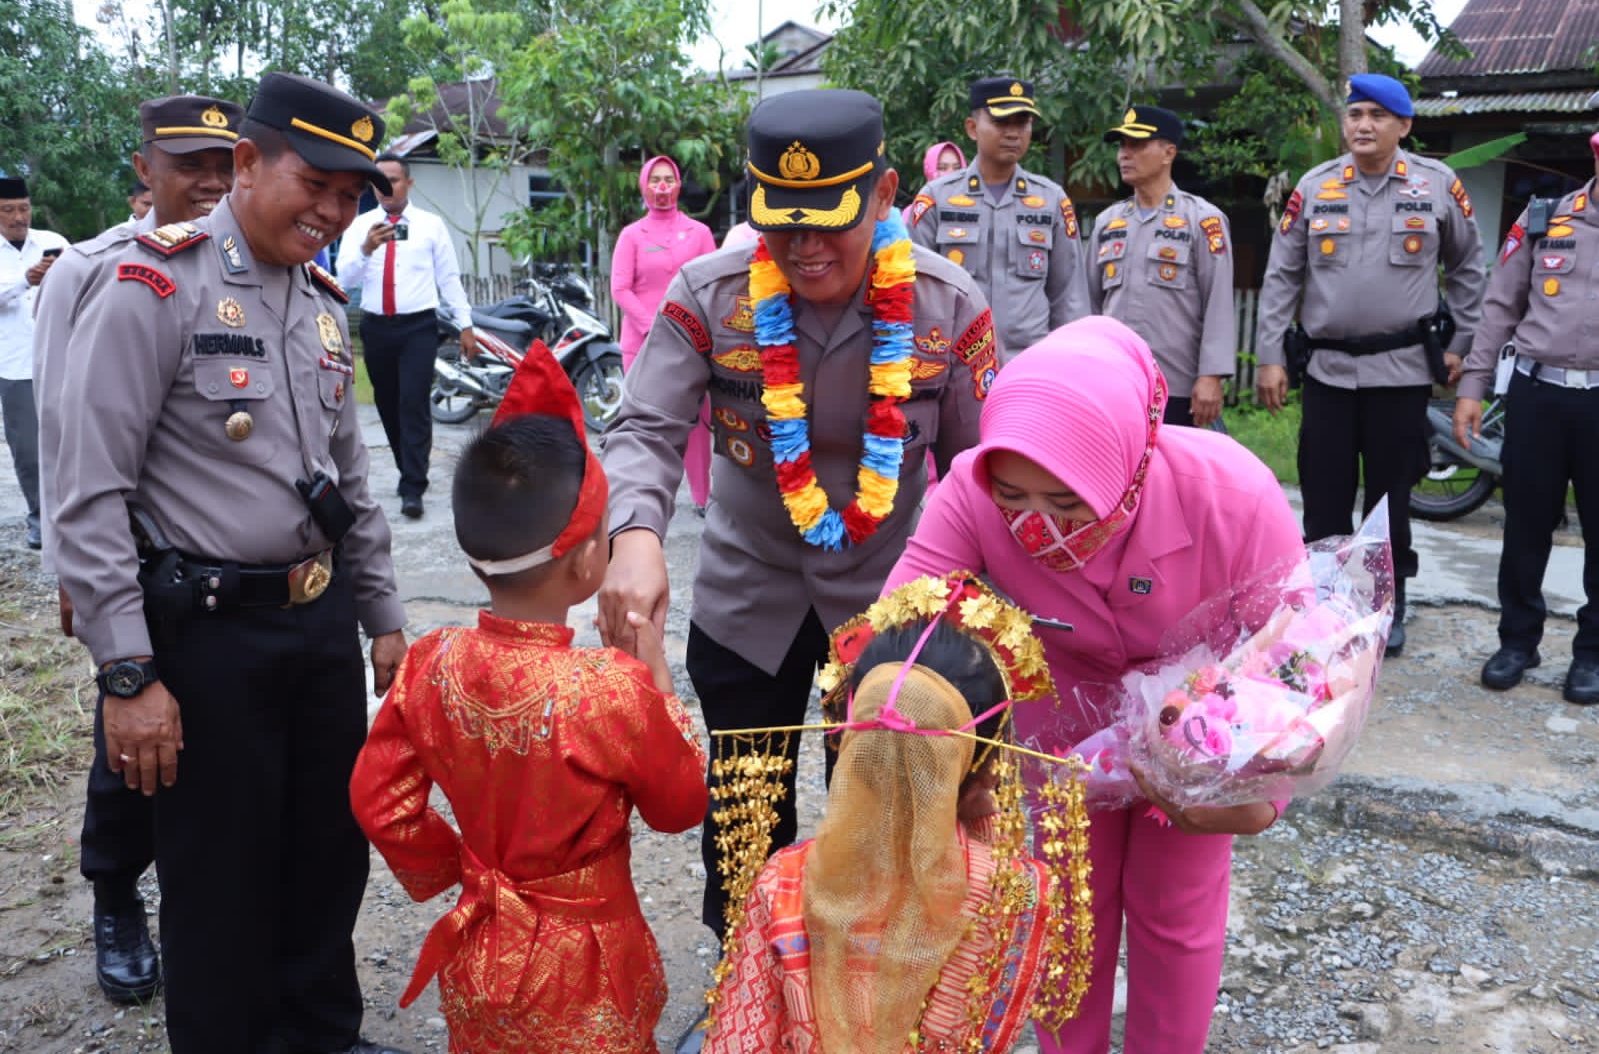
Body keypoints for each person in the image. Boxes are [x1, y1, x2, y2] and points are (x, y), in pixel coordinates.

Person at [43, 71, 411, 1054]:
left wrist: (383, 620)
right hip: (207, 636)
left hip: (317, 625)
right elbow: (87, 492)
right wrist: (128, 674)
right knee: (218, 874)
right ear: (247, 164)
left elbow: (351, 482)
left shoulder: (324, 299)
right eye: (316, 183)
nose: (333, 211)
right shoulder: (153, 285)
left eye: (351, 195)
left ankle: (322, 1031)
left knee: (327, 851)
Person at [598, 88, 995, 953]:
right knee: (744, 816)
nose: (806, 248)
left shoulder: (946, 306)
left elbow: (981, 472)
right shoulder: (709, 296)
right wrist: (632, 535)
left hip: (891, 609)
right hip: (750, 600)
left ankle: (860, 1006)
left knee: (879, 820)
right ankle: (743, 988)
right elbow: (645, 427)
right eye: (783, 223)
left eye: (831, 222)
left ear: (885, 195)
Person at [886, 317, 1306, 1054]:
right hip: (1059, 727)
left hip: (1202, 729)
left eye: (1070, 503)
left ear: (1132, 463)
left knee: (1175, 911)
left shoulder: (1231, 494)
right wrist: (944, 761)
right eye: (1015, 498)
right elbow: (903, 632)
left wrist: (1258, 797)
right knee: (1063, 909)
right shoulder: (971, 487)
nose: (1040, 529)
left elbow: (1300, 657)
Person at [350, 342, 708, 1051]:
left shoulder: (431, 663)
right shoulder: (610, 689)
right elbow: (680, 807)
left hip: (483, 941)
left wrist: (464, 869)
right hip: (591, 961)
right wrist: (657, 684)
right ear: (585, 561)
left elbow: (378, 801)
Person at [33, 92, 241, 1007]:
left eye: (225, 165)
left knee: (215, 746)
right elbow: (60, 433)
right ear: (142, 169)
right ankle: (116, 892)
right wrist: (80, 574)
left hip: (228, 571)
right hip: (135, 562)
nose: (209, 182)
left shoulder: (249, 265)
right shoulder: (91, 270)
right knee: (130, 742)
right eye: (189, 162)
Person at [702, 587, 1086, 1054]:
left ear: (848, 741)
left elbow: (739, 1042)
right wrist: (981, 814)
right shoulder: (1018, 892)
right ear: (985, 764)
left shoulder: (782, 882)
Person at [1254, 73, 1486, 656]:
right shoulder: (1316, 186)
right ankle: (1325, 607)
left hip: (1402, 372)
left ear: (1403, 126)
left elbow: (1468, 269)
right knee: (1325, 495)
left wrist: (1460, 344)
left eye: (1377, 116)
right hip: (1328, 372)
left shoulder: (1437, 186)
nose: (1363, 124)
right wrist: (1269, 357)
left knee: (1389, 498)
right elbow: (1282, 275)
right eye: (1355, 114)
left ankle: (1387, 604)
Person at [1455, 129, 1599, 704]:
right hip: (1538, 397)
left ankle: (1591, 655)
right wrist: (1472, 383)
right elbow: (1499, 307)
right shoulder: (1543, 219)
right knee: (1525, 526)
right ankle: (1517, 641)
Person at [908, 76, 1089, 363]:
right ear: (972, 128)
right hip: (956, 366)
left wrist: (1069, 364)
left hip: (1030, 364)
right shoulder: (936, 200)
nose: (1013, 133)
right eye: (1001, 123)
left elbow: (1069, 297)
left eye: (1022, 123)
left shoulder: (1052, 201)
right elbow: (913, 290)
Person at [336, 151, 475, 520]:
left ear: (409, 183)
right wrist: (367, 248)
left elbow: (448, 278)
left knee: (413, 403)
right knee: (387, 402)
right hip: (376, 326)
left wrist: (465, 324)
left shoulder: (431, 225)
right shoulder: (360, 224)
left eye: (393, 180)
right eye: (379, 182)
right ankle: (405, 469)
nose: (386, 188)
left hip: (418, 326)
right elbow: (343, 278)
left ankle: (414, 484)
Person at [1089, 105, 1235, 428]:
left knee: (1175, 476)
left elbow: (1219, 303)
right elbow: (1090, 305)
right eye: (1122, 146)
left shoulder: (1202, 219)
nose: (1125, 155)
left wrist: (1211, 376)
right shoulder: (1108, 222)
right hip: (1115, 383)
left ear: (1169, 153)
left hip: (1177, 384)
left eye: (1137, 145)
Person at [611, 154, 717, 509]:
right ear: (644, 185)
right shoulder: (631, 235)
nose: (661, 187)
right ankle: (641, 497)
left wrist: (686, 327)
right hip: (641, 344)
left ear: (678, 185)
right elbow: (620, 289)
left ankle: (703, 497)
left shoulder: (699, 233)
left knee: (699, 424)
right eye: (654, 180)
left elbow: (710, 285)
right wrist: (655, 324)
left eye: (668, 180)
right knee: (645, 424)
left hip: (693, 342)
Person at [0, 175, 67, 550]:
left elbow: (84, 283)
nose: (17, 217)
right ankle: (39, 520)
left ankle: (73, 519)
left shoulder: (54, 243)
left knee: (71, 441)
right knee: (28, 449)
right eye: (8, 210)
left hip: (62, 358)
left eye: (23, 208)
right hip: (15, 365)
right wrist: (25, 281)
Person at [900, 139, 966, 226]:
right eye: (942, 168)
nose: (951, 174)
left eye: (957, 168)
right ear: (930, 170)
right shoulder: (914, 213)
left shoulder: (974, 209)